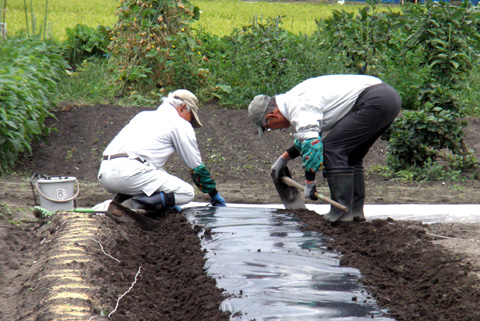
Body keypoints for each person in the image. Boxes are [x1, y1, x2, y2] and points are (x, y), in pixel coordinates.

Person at [248, 75, 401, 222]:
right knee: (351, 155)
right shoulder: (294, 99)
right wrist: (284, 159)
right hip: (387, 99)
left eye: (267, 128)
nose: (273, 130)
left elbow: (313, 146)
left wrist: (309, 183)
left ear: (271, 117)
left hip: (374, 101)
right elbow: (310, 139)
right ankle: (354, 212)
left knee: (332, 149)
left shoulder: (298, 104)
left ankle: (340, 213)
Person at [98, 89, 226, 213]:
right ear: (182, 108)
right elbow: (196, 166)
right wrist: (213, 194)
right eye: (190, 117)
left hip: (105, 173)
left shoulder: (142, 116)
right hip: (130, 173)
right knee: (186, 193)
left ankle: (116, 204)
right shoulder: (179, 123)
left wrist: (167, 202)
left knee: (157, 176)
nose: (189, 122)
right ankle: (129, 207)